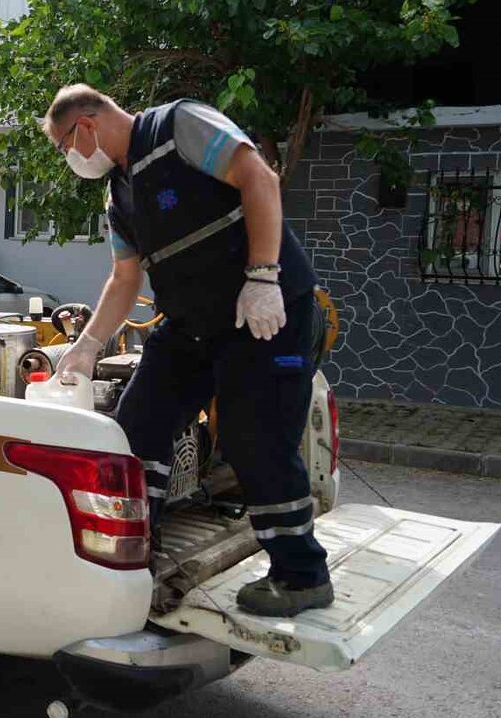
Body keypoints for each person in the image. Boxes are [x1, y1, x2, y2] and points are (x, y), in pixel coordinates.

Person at [42, 85, 332, 617]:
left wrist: (264, 275)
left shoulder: (179, 126)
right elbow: (124, 277)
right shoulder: (118, 194)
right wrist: (85, 345)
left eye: (64, 147)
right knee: (133, 432)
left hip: (261, 312)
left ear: (85, 125)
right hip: (192, 326)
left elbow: (259, 178)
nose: (70, 160)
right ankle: (134, 560)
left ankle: (301, 576)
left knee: (254, 440)